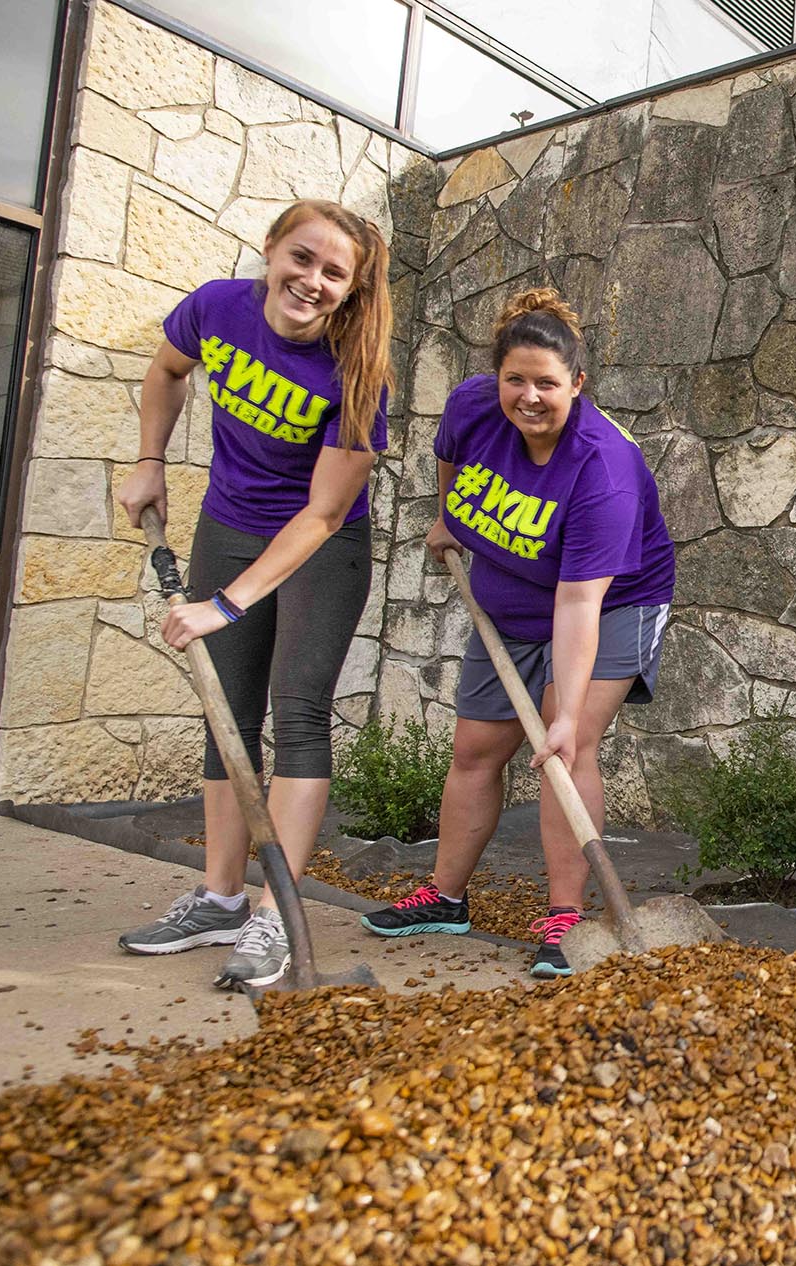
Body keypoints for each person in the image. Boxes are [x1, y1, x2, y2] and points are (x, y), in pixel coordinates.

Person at [116, 199, 393, 989]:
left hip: (320, 545)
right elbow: (168, 370)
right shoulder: (214, 307)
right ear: (270, 250)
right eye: (301, 258)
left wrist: (228, 602)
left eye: (333, 273)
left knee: (298, 711)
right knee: (226, 713)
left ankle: (277, 917)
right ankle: (219, 897)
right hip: (229, 522)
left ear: (350, 289)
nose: (311, 281)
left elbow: (325, 510)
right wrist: (149, 460)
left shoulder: (359, 372)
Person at [360, 288, 675, 977]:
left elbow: (577, 604)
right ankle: (444, 897)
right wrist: (449, 516)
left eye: (547, 385)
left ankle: (564, 915)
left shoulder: (603, 470)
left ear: (578, 385)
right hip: (509, 596)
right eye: (516, 380)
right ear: (495, 376)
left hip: (611, 604)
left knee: (566, 746)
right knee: (475, 748)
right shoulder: (474, 405)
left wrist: (562, 714)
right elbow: (451, 458)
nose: (529, 397)